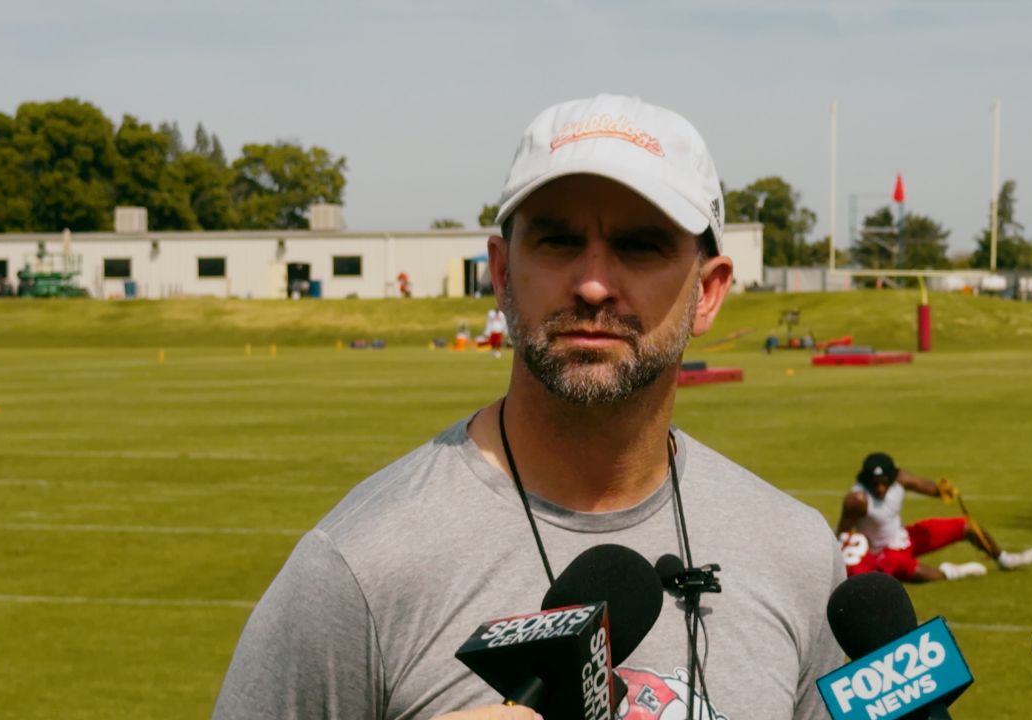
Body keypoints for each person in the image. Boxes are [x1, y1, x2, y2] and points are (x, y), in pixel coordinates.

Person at [213, 93, 844, 720]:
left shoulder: (797, 555)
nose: (593, 284)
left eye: (640, 246)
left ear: (707, 293)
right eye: (558, 241)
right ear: (502, 274)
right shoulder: (358, 565)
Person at [836, 452, 1032, 583]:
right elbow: (842, 535)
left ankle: (1004, 559)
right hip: (883, 552)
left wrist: (943, 490)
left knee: (967, 527)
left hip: (904, 537)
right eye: (875, 483)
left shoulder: (900, 479)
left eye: (884, 482)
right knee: (913, 571)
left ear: (892, 477)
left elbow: (926, 487)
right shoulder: (858, 499)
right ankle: (951, 572)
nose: (880, 488)